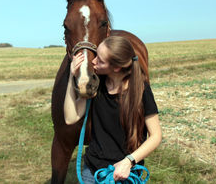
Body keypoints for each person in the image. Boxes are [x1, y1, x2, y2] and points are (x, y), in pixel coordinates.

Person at [64, 36, 162, 183]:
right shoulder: (96, 84)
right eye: (96, 55)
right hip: (93, 172)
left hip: (126, 173)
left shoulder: (141, 90)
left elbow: (156, 136)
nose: (93, 61)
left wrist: (128, 161)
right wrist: (71, 77)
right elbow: (70, 117)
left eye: (100, 60)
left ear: (116, 67)